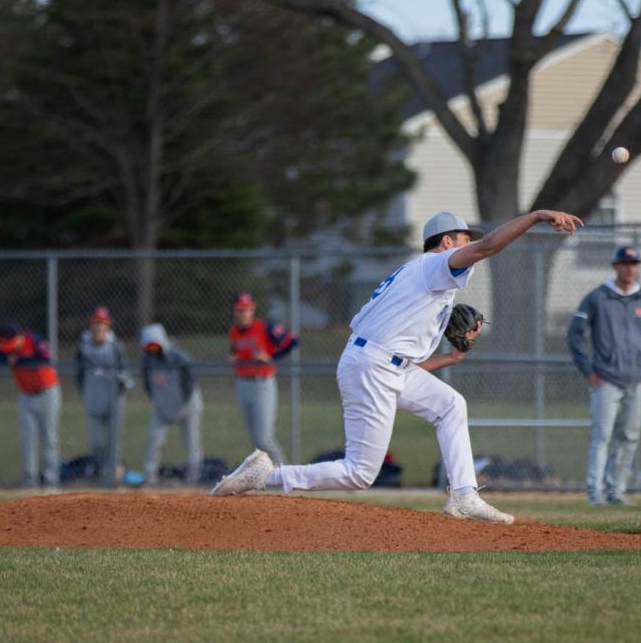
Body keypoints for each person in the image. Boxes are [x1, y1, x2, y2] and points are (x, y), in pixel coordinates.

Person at [212, 208, 584, 525]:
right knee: (359, 473)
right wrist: (537, 216)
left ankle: (463, 495)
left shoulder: (425, 284)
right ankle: (267, 475)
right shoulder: (435, 265)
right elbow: (489, 247)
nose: (470, 244)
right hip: (372, 367)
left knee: (450, 405)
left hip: (381, 363)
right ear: (445, 242)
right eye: (462, 238)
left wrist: (452, 358)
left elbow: (404, 359)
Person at [568, 245, 641, 505]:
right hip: (606, 379)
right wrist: (588, 370)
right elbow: (575, 333)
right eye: (625, 264)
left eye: (634, 264)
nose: (630, 269)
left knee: (629, 438)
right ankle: (594, 493)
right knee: (602, 437)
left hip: (635, 380)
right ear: (615, 266)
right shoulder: (598, 297)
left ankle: (616, 491)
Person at [227, 292, 298, 463]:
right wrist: (234, 357)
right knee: (255, 439)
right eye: (240, 309)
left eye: (247, 309)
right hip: (243, 384)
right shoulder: (234, 331)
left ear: (252, 310)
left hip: (262, 384)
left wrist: (271, 357)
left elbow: (292, 341)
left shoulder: (264, 327)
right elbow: (237, 351)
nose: (243, 313)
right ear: (234, 311)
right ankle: (266, 476)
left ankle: (284, 473)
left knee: (264, 438)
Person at [0, 323, 61, 488]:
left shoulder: (34, 341)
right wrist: (10, 359)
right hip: (26, 395)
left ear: (20, 336)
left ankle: (51, 480)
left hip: (47, 393)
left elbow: (46, 358)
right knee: (27, 439)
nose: (9, 346)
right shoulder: (7, 347)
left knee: (49, 438)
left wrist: (20, 360)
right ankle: (29, 480)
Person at [140, 322, 203, 484]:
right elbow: (147, 385)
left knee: (192, 441)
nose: (152, 350)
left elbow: (189, 386)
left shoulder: (179, 358)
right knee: (153, 438)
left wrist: (181, 407)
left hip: (187, 406)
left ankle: (193, 477)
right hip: (162, 407)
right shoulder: (147, 361)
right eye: (149, 347)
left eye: (155, 345)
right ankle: (150, 475)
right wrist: (160, 404)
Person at [76, 306, 130, 485]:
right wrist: (84, 391)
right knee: (97, 441)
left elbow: (125, 372)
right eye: (96, 323)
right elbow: (79, 373)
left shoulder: (116, 346)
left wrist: (121, 390)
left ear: (108, 326)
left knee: (114, 441)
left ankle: (112, 476)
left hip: (114, 399)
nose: (98, 327)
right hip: (93, 397)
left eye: (102, 323)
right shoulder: (83, 346)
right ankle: (103, 471)